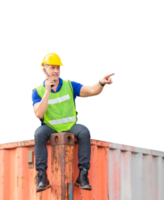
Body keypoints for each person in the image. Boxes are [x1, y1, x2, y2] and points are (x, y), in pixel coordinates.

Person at [29, 52, 117, 193]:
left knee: (84, 131)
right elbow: (38, 113)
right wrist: (47, 92)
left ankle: (82, 176)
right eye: (52, 67)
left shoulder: (70, 85)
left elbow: (93, 90)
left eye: (59, 67)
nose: (56, 71)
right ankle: (42, 177)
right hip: (49, 127)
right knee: (37, 133)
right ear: (43, 70)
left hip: (70, 126)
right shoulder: (36, 91)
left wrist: (101, 82)